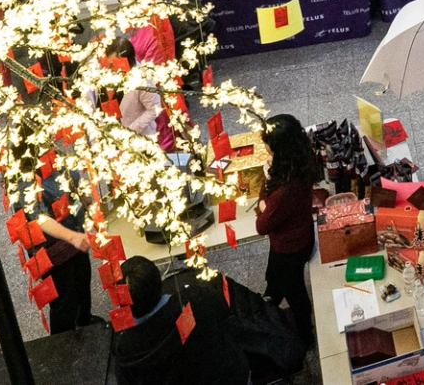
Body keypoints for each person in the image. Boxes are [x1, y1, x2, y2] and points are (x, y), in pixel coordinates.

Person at [112, 255, 250, 385]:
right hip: (228, 377)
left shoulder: (125, 349)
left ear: (121, 302)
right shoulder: (196, 298)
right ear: (159, 281)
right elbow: (224, 311)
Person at [253, 114, 321, 342]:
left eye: (268, 143)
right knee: (274, 276)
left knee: (295, 292)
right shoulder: (302, 160)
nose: (265, 147)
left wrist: (263, 201)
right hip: (301, 233)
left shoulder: (285, 189)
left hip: (290, 247)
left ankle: (305, 335)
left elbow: (262, 225)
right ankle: (268, 304)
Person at [31, 172, 98, 334]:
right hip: (53, 250)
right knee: (64, 301)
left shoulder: (54, 159)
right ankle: (64, 340)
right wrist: (72, 237)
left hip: (76, 232)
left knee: (82, 283)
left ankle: (84, 321)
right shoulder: (23, 175)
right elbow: (38, 217)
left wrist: (86, 200)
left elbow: (71, 178)